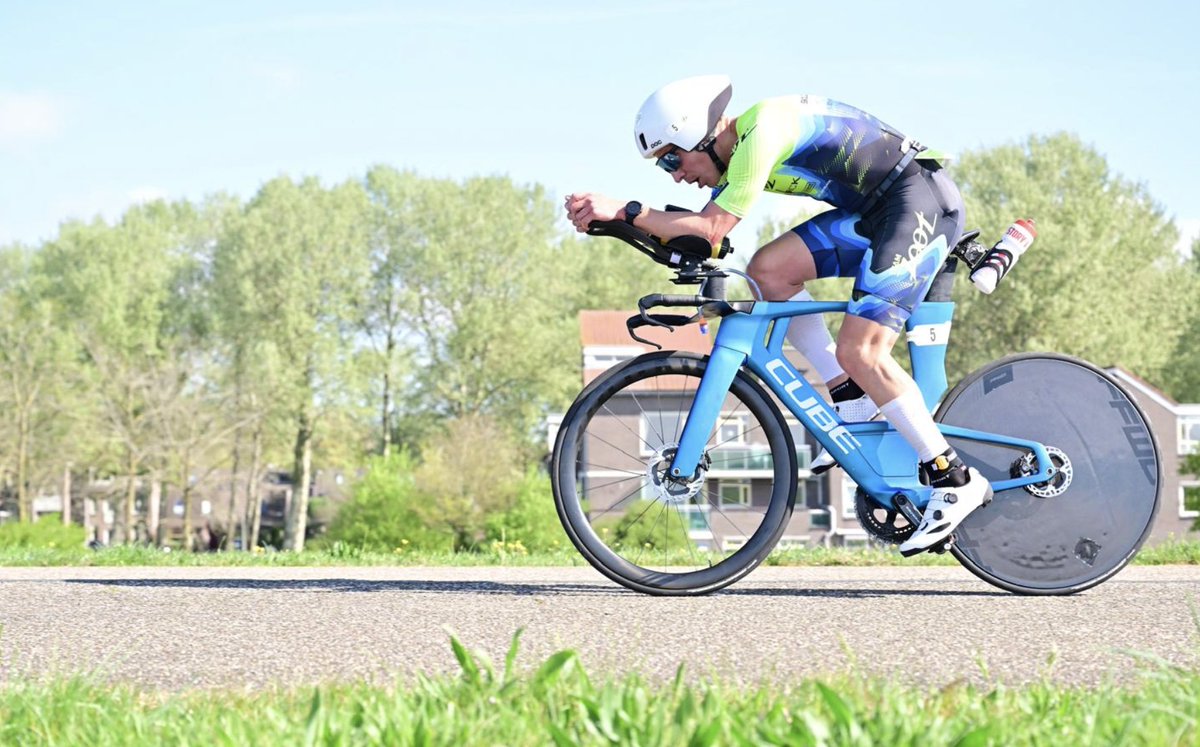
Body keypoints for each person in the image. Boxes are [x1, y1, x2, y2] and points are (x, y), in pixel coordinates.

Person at [564, 74, 991, 556]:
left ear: (697, 136)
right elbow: (707, 238)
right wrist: (620, 222)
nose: (675, 175)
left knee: (862, 350)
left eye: (671, 159)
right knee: (769, 271)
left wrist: (625, 208)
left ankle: (953, 477)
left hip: (919, 203)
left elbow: (709, 229)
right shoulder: (742, 145)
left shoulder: (760, 135)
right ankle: (851, 399)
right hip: (880, 211)